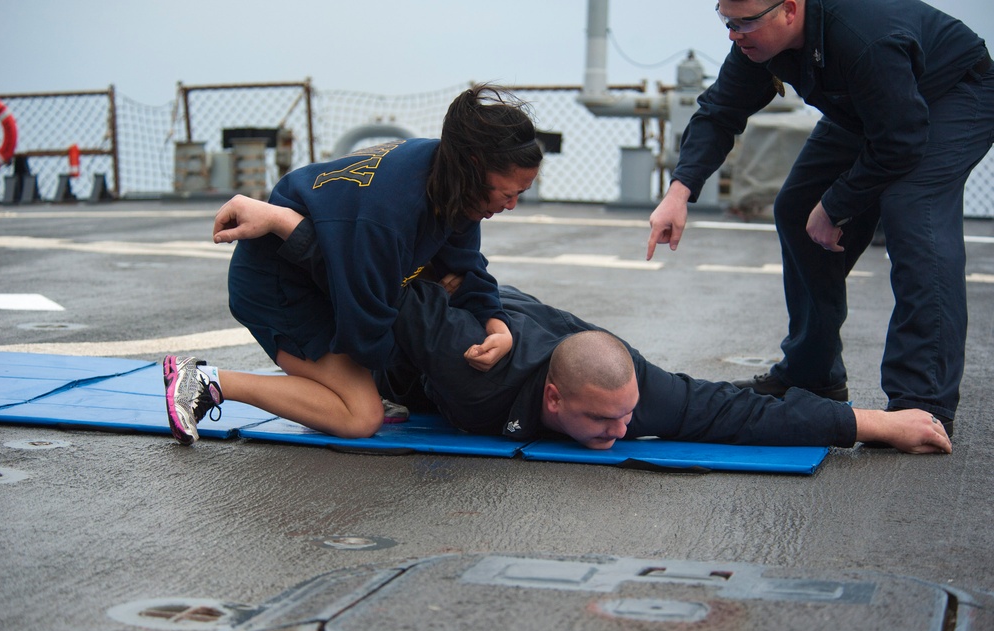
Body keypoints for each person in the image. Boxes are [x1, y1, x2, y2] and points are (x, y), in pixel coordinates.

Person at [243, 211, 951, 454]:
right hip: (380, 303)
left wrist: (873, 425)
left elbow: (738, 412)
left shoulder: (635, 393)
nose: (623, 429)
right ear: (552, 401)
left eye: (626, 416)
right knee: (363, 400)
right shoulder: (473, 360)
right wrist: (289, 233)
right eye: (604, 422)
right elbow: (378, 291)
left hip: (498, 317)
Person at [645, 0, 994, 436]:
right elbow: (720, 111)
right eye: (726, 20)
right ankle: (813, 375)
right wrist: (679, 191)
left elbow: (901, 140)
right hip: (873, 106)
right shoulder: (759, 42)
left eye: (745, 23)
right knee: (795, 208)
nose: (733, 35)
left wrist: (835, 206)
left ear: (790, 10)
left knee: (912, 210)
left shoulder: (865, 38)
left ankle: (922, 403)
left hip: (950, 92)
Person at [163, 83, 543, 445]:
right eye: (508, 193)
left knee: (380, 364)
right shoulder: (392, 211)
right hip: (279, 286)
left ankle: (350, 385)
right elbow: (365, 323)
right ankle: (205, 380)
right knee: (360, 416)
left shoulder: (450, 179)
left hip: (324, 275)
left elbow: (464, 270)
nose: (511, 205)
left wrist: (498, 325)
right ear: (475, 165)